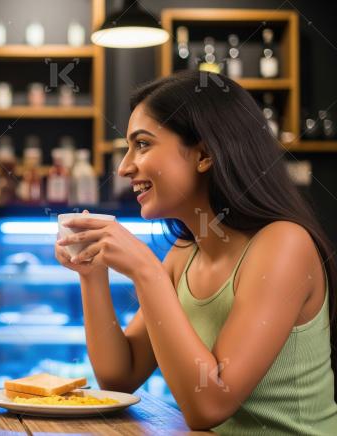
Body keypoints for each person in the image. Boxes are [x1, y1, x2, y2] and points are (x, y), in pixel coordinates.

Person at [55, 70, 337, 434]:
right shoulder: (186, 251)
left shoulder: (284, 244)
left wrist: (146, 270)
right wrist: (92, 274)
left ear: (204, 154)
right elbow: (118, 377)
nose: (125, 167)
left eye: (142, 144)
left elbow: (209, 406)